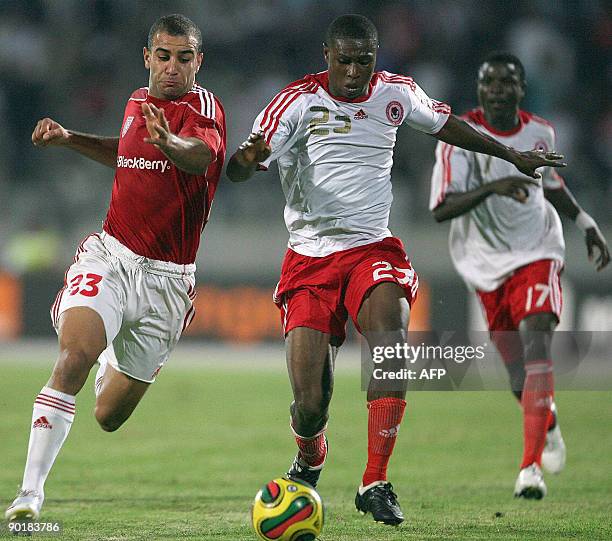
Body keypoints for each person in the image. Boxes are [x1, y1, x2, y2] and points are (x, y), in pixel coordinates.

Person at [226, 16, 564, 525]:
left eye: (366, 59)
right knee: (309, 404)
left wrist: (508, 153)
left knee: (391, 342)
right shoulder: (295, 102)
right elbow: (243, 161)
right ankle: (310, 454)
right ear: (327, 55)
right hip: (310, 259)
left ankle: (375, 481)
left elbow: (446, 123)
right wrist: (246, 159)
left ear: (376, 56)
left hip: (371, 248)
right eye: (346, 60)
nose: (357, 71)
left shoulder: (396, 94)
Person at [5, 14, 226, 522]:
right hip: (112, 257)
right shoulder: (136, 102)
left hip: (169, 282)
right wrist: (69, 140)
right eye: (163, 56)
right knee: (75, 355)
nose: (172, 67)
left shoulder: (203, 108)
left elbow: (203, 157)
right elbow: (127, 153)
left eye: (184, 57)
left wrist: (172, 144)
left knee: (107, 416)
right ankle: (29, 496)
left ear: (199, 62)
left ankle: (112, 356)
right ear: (147, 56)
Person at [430, 52, 609, 499]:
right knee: (516, 377)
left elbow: (551, 184)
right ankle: (547, 424)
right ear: (478, 88)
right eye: (489, 82)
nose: (497, 90)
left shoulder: (541, 131)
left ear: (521, 89)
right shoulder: (458, 137)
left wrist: (585, 223)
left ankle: (530, 469)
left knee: (537, 347)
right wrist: (494, 185)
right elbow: (440, 208)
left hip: (538, 250)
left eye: (506, 83)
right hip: (484, 263)